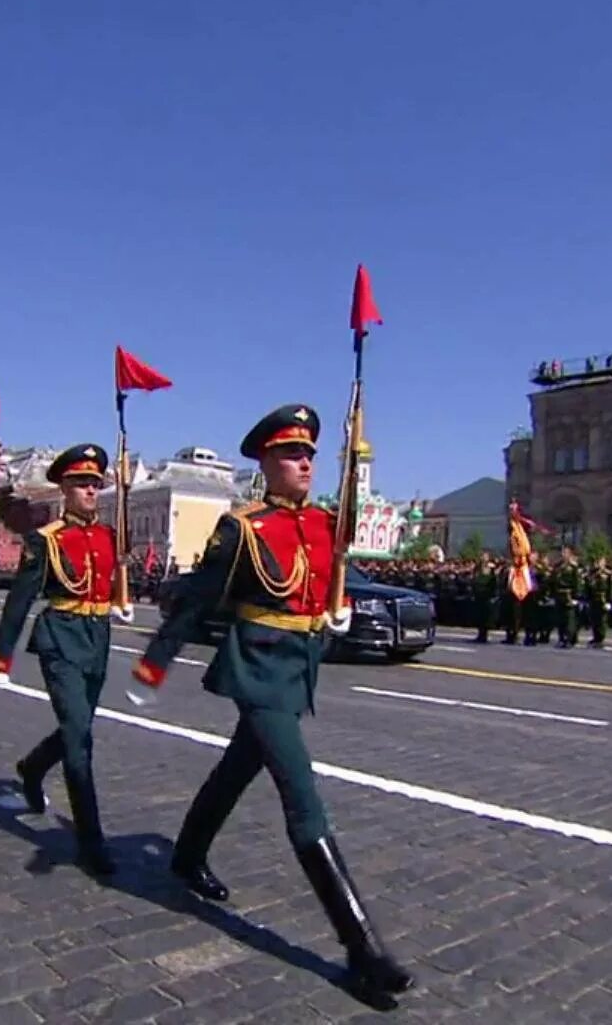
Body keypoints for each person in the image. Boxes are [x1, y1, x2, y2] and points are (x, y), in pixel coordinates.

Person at [130, 405, 413, 1004]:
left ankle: (185, 856)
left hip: (298, 664)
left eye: (309, 453)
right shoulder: (244, 528)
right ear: (264, 462)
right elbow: (200, 597)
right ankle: (362, 948)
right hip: (257, 667)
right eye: (291, 454)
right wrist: (157, 659)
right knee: (302, 796)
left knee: (237, 769)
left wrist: (334, 613)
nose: (305, 462)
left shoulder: (324, 522)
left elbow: (328, 576)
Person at [0, 444, 120, 876]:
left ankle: (32, 767)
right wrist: (0, 656)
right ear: (64, 488)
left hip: (97, 639)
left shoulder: (107, 536)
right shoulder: (45, 541)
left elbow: (109, 579)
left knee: (75, 729)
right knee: (80, 738)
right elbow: (20, 600)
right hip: (59, 638)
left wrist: (119, 602)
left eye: (94, 483)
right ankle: (91, 839)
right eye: (81, 483)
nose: (89, 490)